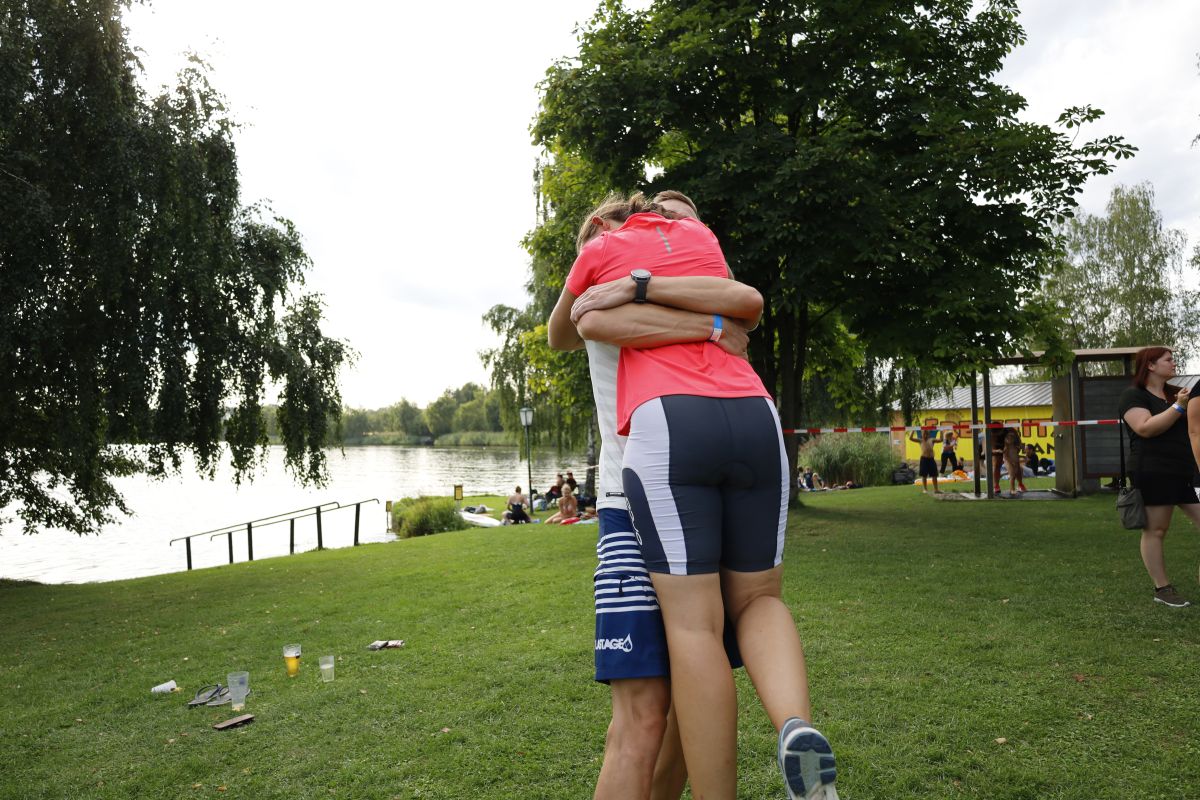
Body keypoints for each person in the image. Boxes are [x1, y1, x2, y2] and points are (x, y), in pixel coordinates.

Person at [554, 191, 838, 800]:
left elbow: (741, 300)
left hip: (667, 459)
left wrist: (651, 284)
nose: (669, 223)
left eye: (680, 218)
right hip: (642, 495)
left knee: (690, 675)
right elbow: (569, 328)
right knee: (648, 715)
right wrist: (702, 322)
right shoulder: (608, 276)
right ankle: (794, 724)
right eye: (660, 215)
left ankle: (783, 740)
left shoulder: (682, 273)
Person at [1122, 347, 1197, 608]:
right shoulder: (1134, 395)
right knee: (1156, 529)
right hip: (1153, 469)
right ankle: (1162, 588)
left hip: (1184, 470)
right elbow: (1144, 428)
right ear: (1151, 365)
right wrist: (1179, 407)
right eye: (1168, 359)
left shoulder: (1176, 393)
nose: (1174, 363)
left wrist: (1181, 403)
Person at [910, 429, 942, 493]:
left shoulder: (932, 440)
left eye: (926, 434)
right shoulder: (920, 440)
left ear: (928, 435)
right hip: (924, 459)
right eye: (924, 434)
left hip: (931, 459)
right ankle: (925, 489)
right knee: (924, 475)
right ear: (922, 435)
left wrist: (941, 431)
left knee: (934, 474)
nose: (925, 435)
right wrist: (913, 430)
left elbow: (941, 440)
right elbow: (911, 438)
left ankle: (936, 489)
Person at [998, 429, 1026, 497]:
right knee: (1012, 475)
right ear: (1005, 440)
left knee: (1017, 473)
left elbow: (1016, 455)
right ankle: (1012, 489)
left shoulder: (1015, 447)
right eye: (1009, 438)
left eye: (1012, 438)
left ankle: (1017, 487)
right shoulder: (1006, 447)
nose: (1010, 440)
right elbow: (1006, 456)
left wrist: (1024, 457)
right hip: (1009, 461)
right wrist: (1011, 462)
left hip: (1015, 461)